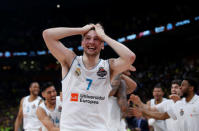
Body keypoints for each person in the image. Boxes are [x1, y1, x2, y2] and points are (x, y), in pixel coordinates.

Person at [42, 23, 136, 131]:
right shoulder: (70, 60)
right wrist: (80, 30)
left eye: (96, 39)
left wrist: (104, 36)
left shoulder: (108, 66)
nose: (91, 42)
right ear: (82, 43)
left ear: (102, 45)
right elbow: (47, 35)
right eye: (87, 38)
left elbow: (130, 57)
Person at [131, 76, 199, 131]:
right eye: (172, 87)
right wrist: (139, 103)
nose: (173, 89)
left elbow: (162, 116)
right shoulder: (171, 103)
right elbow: (156, 112)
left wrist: (143, 111)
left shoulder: (193, 102)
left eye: (176, 87)